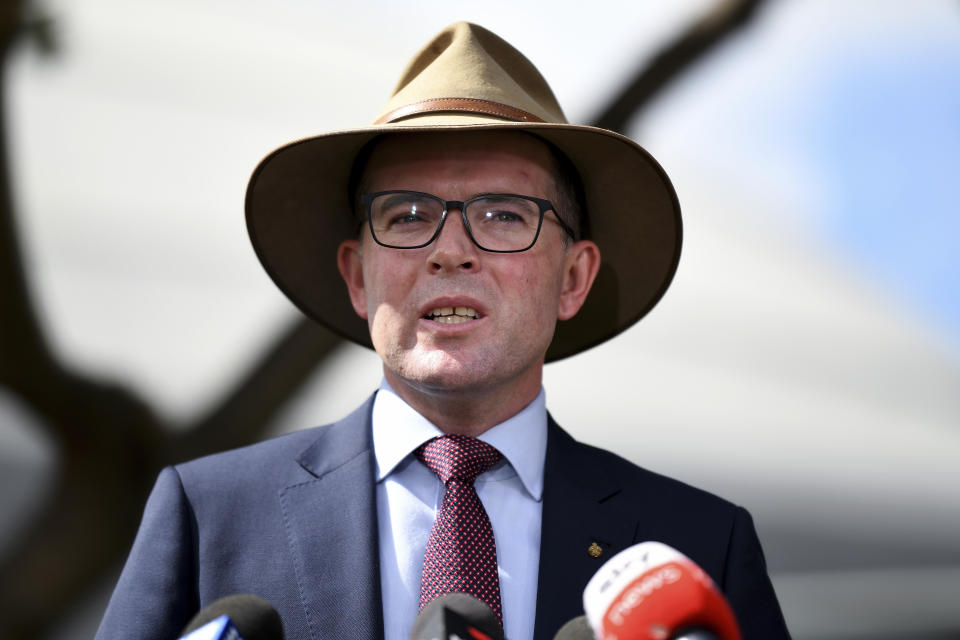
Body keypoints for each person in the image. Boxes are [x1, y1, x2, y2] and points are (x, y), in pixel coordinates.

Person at [95, 22, 790, 640]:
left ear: (573, 279)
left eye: (503, 215)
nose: (449, 250)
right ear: (358, 278)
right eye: (405, 215)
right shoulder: (209, 514)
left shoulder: (699, 546)